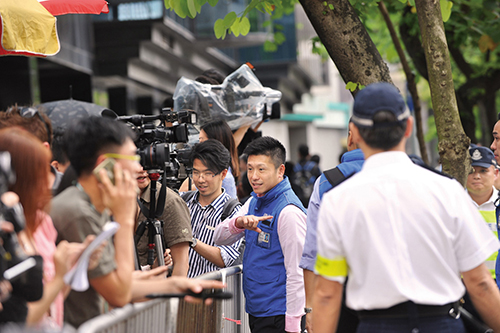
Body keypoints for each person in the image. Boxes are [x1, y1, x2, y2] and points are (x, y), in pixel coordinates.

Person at [313, 82, 500, 333]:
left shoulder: (337, 202)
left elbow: (327, 293)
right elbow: (480, 284)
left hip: (375, 326)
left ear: (354, 133)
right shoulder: (448, 192)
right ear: (409, 127)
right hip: (442, 324)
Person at [51, 117, 225, 328]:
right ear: (104, 163)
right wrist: (124, 218)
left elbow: (119, 285)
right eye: (133, 157)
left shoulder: (90, 207)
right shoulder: (78, 213)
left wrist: (175, 285)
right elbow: (119, 293)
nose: (138, 167)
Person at [0, 128, 98, 329]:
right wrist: (61, 276)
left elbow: (52, 301)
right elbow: (23, 316)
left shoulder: (41, 221)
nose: (48, 181)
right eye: (40, 173)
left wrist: (74, 265)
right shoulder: (6, 231)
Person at [214, 136, 307, 333]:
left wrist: (293, 325)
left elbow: (296, 272)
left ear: (280, 170)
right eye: (250, 169)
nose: (254, 176)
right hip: (258, 310)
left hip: (279, 315)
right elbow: (219, 237)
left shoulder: (289, 212)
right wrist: (239, 223)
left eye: (261, 169)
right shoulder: (254, 201)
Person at [299, 124, 364, 333]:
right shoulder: (413, 178)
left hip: (340, 293)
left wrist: (310, 308)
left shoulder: (327, 182)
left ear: (351, 135)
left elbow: (312, 251)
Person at [184, 140, 242, 278]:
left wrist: (191, 241)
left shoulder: (233, 211)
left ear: (223, 174)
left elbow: (225, 259)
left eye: (208, 173)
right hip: (181, 290)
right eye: (196, 172)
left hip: (212, 294)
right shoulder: (184, 201)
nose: (200, 179)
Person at [135, 166, 192, 275]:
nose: (141, 170)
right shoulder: (115, 197)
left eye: (146, 163)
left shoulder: (170, 202)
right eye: (135, 162)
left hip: (154, 287)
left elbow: (181, 264)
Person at [466, 145, 499, 279]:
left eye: (483, 171)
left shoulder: (499, 205)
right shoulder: (455, 206)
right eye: (471, 171)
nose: (477, 176)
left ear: (495, 173)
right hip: (464, 287)